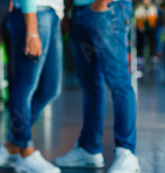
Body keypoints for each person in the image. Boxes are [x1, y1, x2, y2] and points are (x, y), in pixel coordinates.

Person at [54, 0, 140, 172]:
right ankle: (89, 148)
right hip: (78, 11)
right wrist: (69, 9)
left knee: (118, 81)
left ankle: (127, 152)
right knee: (90, 83)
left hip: (106, 8)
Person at [0, 0, 64, 172]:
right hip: (34, 12)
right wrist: (31, 31)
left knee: (50, 88)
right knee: (25, 86)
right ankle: (26, 152)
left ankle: (12, 145)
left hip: (52, 12)